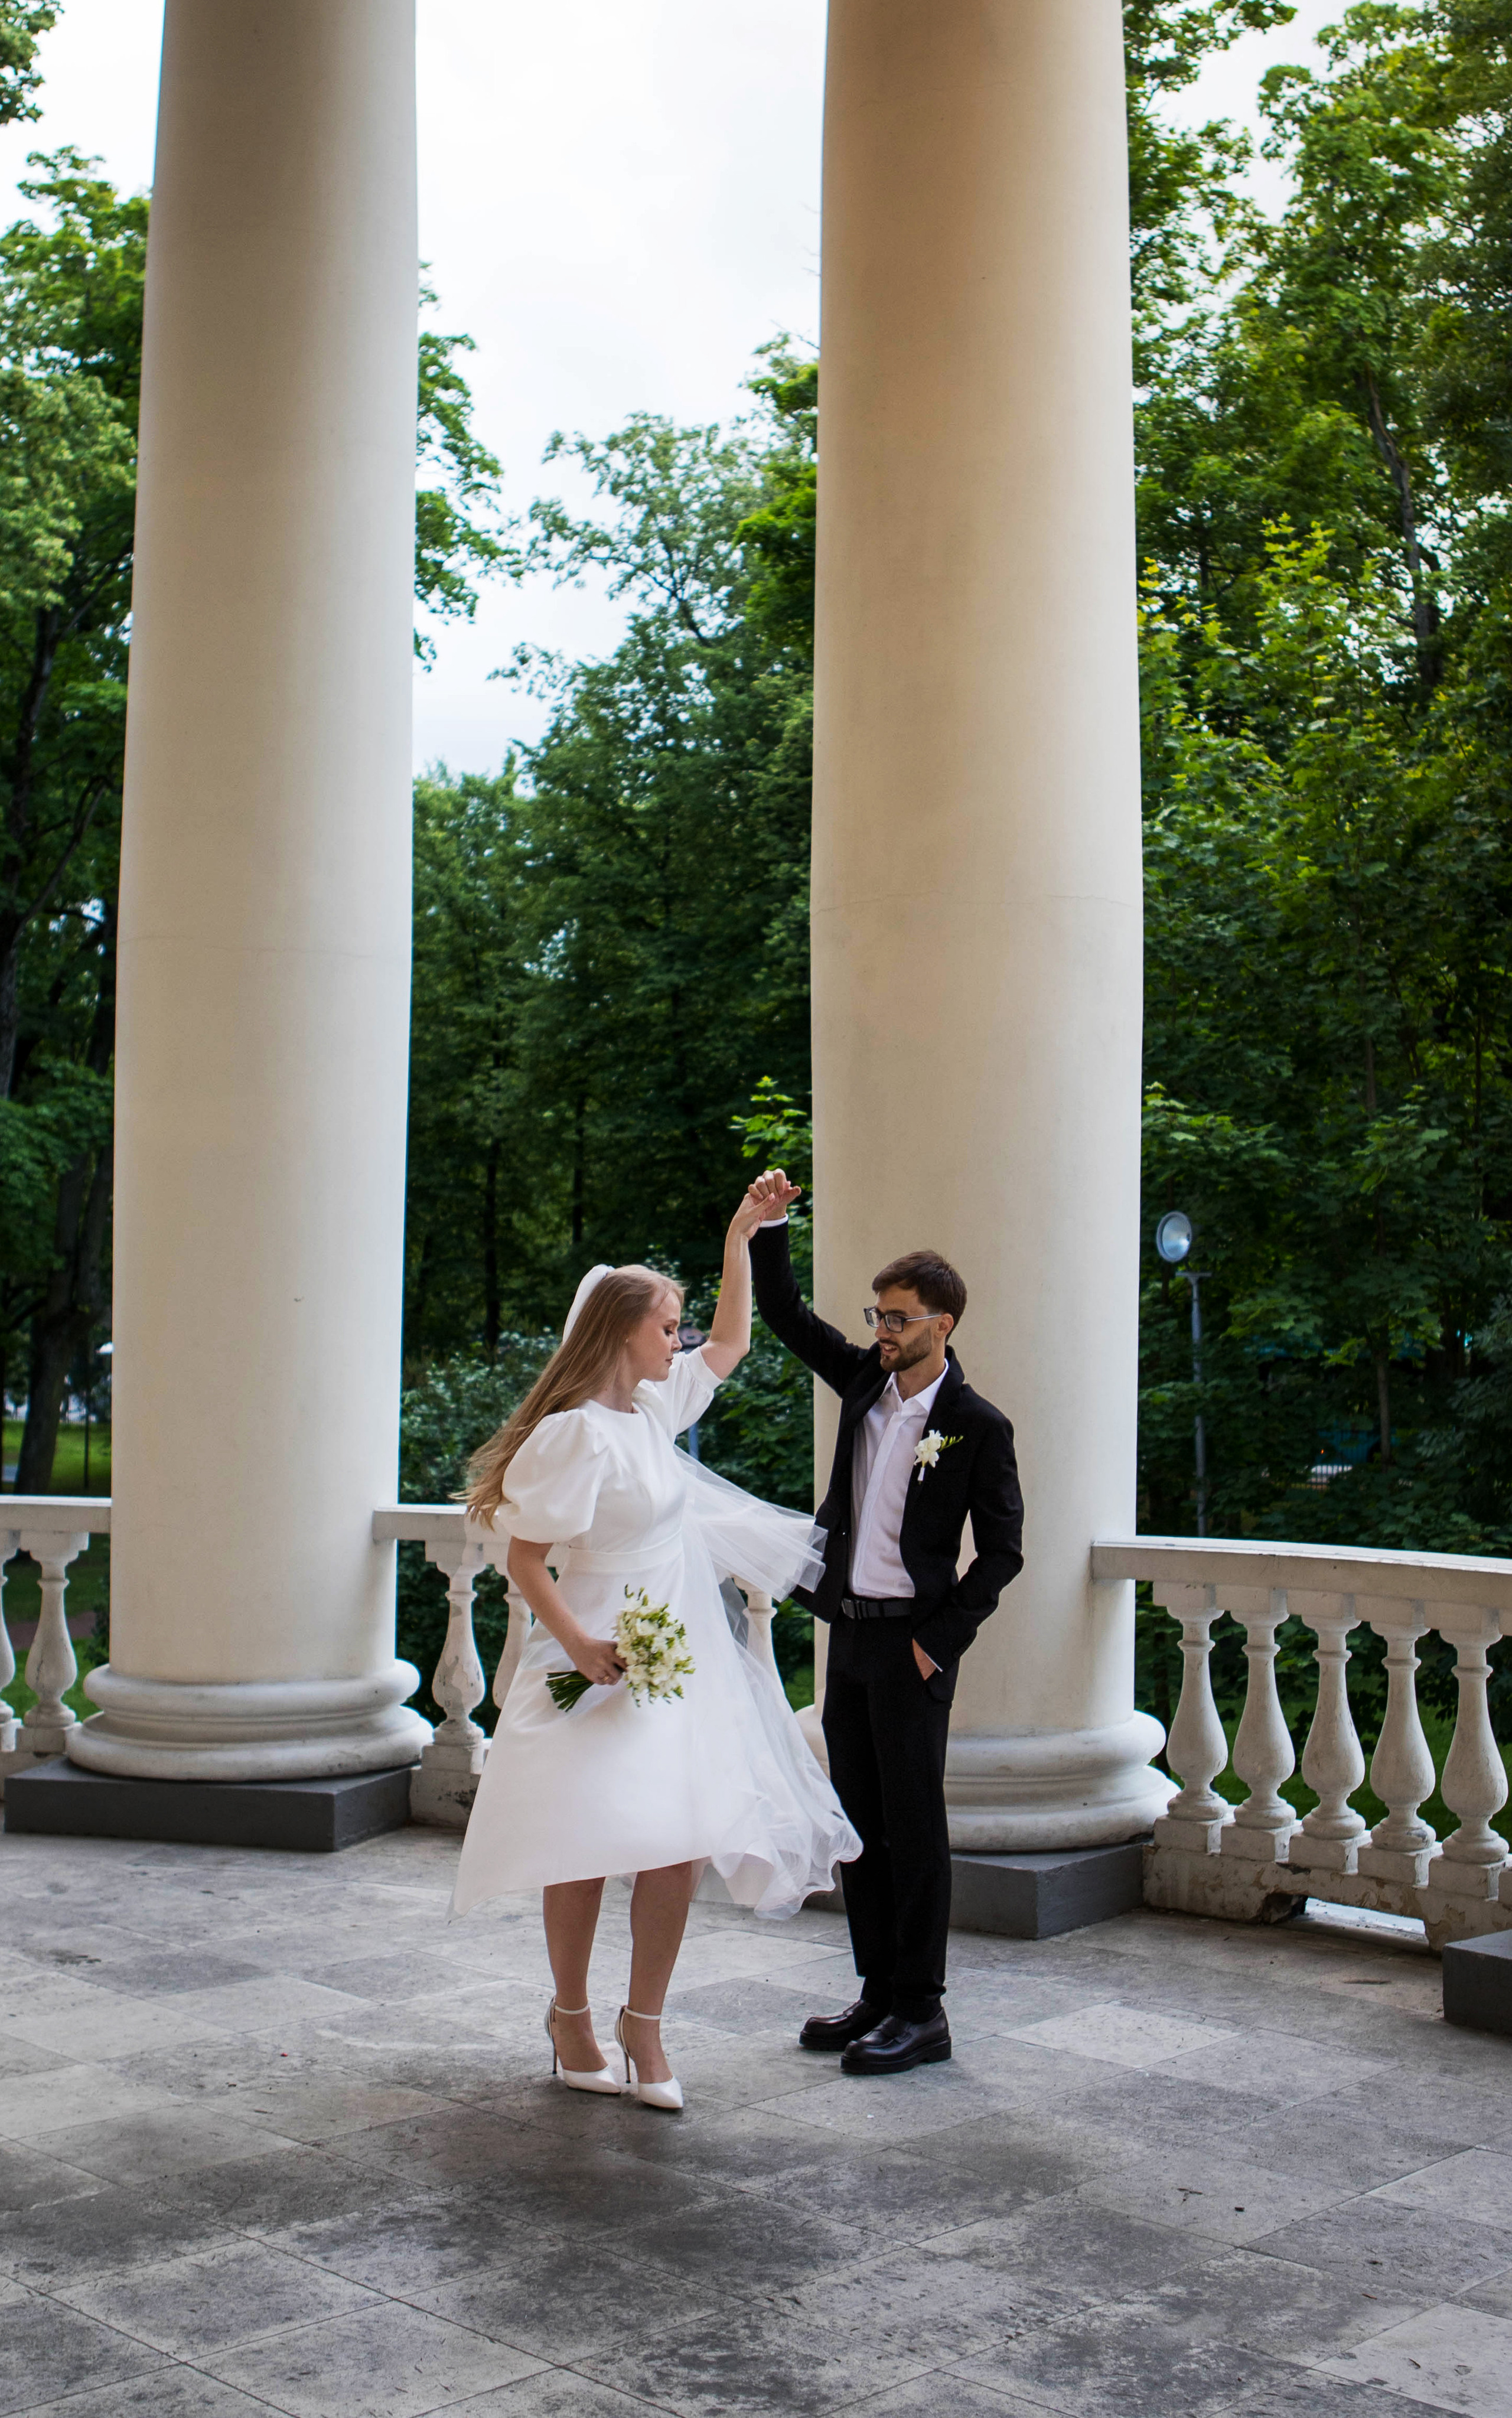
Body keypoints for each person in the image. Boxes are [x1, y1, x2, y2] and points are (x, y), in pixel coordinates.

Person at [451, 1200, 860, 2112]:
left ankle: (646, 2024)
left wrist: (738, 1239)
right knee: (586, 1843)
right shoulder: (573, 1433)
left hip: (672, 1651)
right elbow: (524, 1559)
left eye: (677, 1326)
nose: (679, 1341)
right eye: (665, 1326)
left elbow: (734, 1340)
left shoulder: (651, 1409)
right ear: (621, 1332)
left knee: (676, 1843)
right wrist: (580, 1643)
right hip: (593, 1646)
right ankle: (570, 2017)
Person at [748, 1169, 1024, 2077]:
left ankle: (924, 2008)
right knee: (857, 1820)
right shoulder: (866, 1384)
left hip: (912, 1646)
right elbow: (788, 1317)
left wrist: (934, 1640)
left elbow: (1005, 1552)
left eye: (897, 1316)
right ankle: (875, 1989)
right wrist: (770, 1225)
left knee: (914, 1823)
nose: (881, 1329)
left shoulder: (978, 1426)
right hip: (850, 1635)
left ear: (941, 1326)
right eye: (877, 1314)